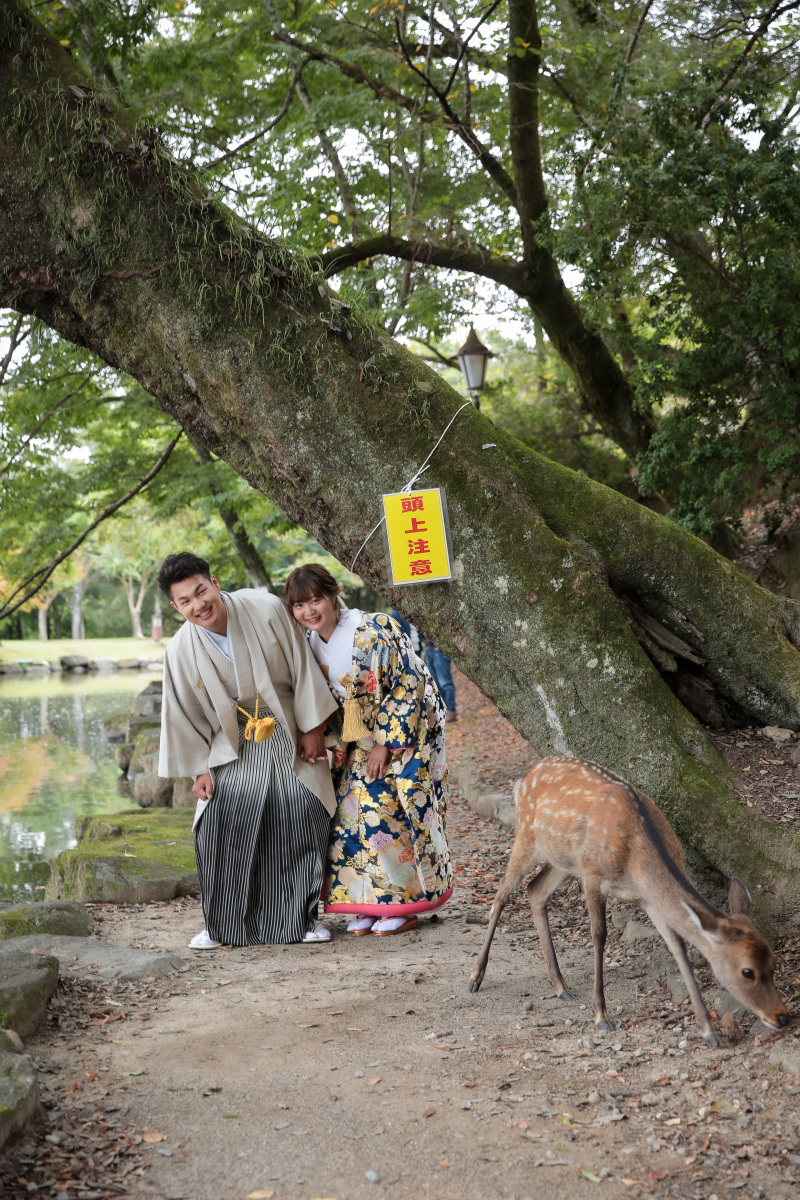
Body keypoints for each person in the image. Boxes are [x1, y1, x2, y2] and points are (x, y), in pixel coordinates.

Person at [156, 552, 339, 949]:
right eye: (185, 601)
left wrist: (313, 727)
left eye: (201, 591)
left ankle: (301, 920)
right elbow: (183, 716)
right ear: (175, 607)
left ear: (215, 583)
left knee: (298, 801)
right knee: (220, 813)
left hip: (288, 727)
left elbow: (303, 667)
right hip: (231, 743)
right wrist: (200, 771)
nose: (197, 605)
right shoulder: (179, 651)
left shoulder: (265, 608)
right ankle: (221, 924)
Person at [287, 564, 453, 936]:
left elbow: (409, 682)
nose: (309, 611)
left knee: (388, 811)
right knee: (349, 816)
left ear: (333, 595)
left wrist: (384, 744)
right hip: (357, 740)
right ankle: (368, 901)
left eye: (316, 600)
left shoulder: (372, 629)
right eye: (299, 605)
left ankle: (403, 903)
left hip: (402, 736)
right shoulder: (310, 643)